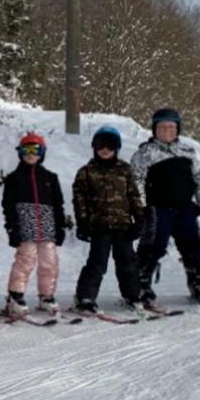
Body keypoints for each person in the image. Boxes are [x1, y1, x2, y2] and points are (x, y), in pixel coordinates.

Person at [131, 108, 200, 302]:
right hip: (158, 208)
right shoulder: (145, 153)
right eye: (162, 127)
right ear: (154, 129)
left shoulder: (187, 151)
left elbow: (199, 178)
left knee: (193, 244)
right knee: (154, 245)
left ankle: (197, 281)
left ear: (177, 129)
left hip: (185, 208)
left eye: (171, 127)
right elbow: (137, 180)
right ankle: (141, 284)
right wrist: (142, 206)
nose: (167, 131)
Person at [71, 127, 146, 313]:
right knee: (97, 263)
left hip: (123, 226)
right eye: (100, 145)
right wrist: (82, 223)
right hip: (99, 226)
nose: (105, 149)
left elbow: (134, 196)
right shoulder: (86, 172)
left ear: (117, 147)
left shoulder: (124, 170)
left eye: (110, 145)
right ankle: (85, 297)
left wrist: (139, 219)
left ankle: (133, 295)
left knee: (127, 262)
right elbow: (79, 200)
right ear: (94, 147)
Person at [1, 133, 67, 316]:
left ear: (42, 153)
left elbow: (58, 205)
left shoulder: (50, 178)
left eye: (35, 150)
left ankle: (46, 295)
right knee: (25, 261)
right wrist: (12, 228)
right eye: (26, 150)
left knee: (49, 263)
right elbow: (8, 206)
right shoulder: (14, 178)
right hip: (25, 227)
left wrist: (60, 227)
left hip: (47, 227)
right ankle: (15, 295)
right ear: (20, 152)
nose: (30, 154)